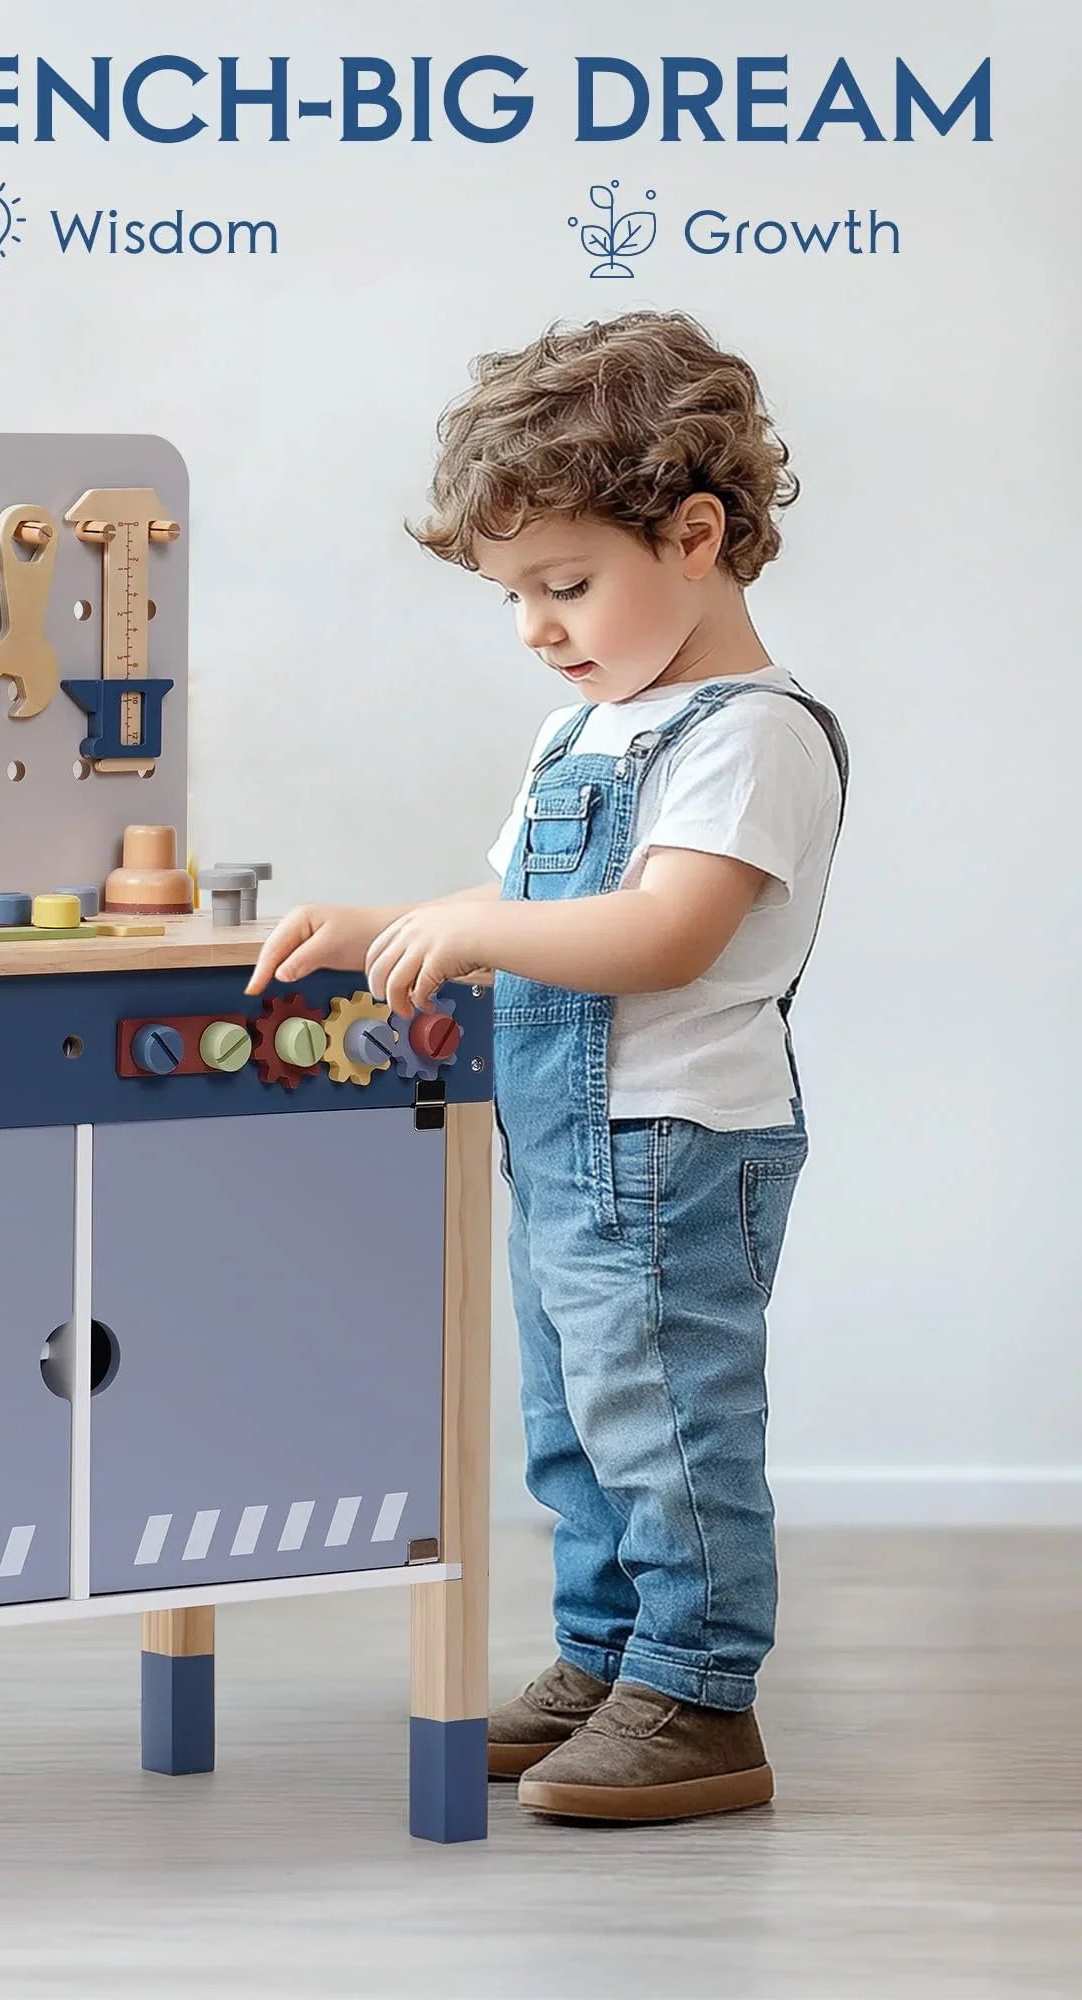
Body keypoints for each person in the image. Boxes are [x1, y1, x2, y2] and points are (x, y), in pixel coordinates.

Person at [247, 310, 847, 1822]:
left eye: (565, 586)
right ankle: (609, 1657)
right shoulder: (579, 735)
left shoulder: (748, 734)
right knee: (575, 1422)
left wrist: (462, 926)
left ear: (697, 533)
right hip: (565, 1144)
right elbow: (519, 924)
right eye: (516, 595)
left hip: (670, 1141)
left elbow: (661, 935)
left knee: (669, 1420)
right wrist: (382, 927)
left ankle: (702, 1697)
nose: (537, 627)